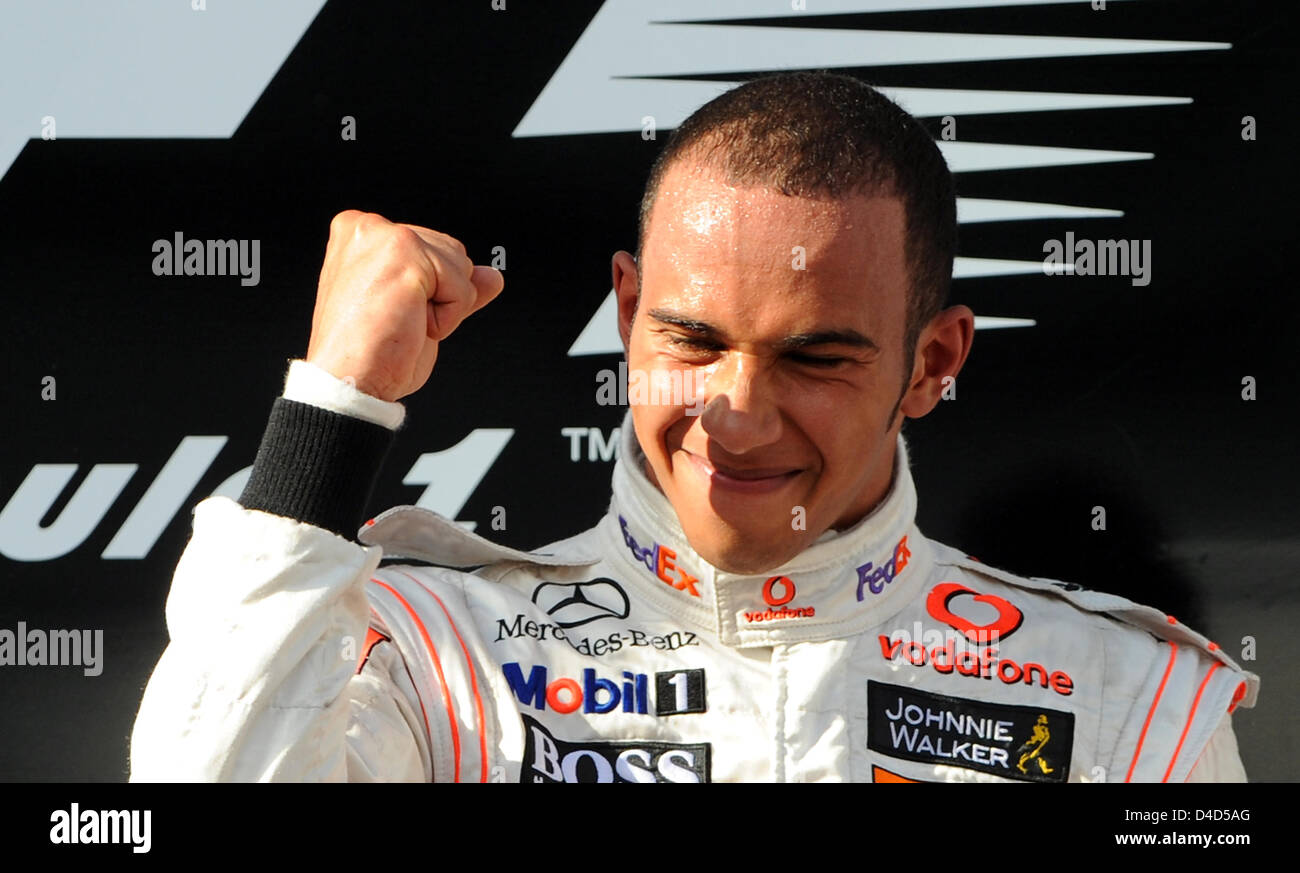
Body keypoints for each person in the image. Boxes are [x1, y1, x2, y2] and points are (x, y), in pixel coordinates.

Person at [130, 71, 1256, 783]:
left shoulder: (1119, 703)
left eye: (816, 356)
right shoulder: (438, 651)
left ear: (933, 362)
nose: (737, 412)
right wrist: (330, 409)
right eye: (691, 341)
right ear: (627, 312)